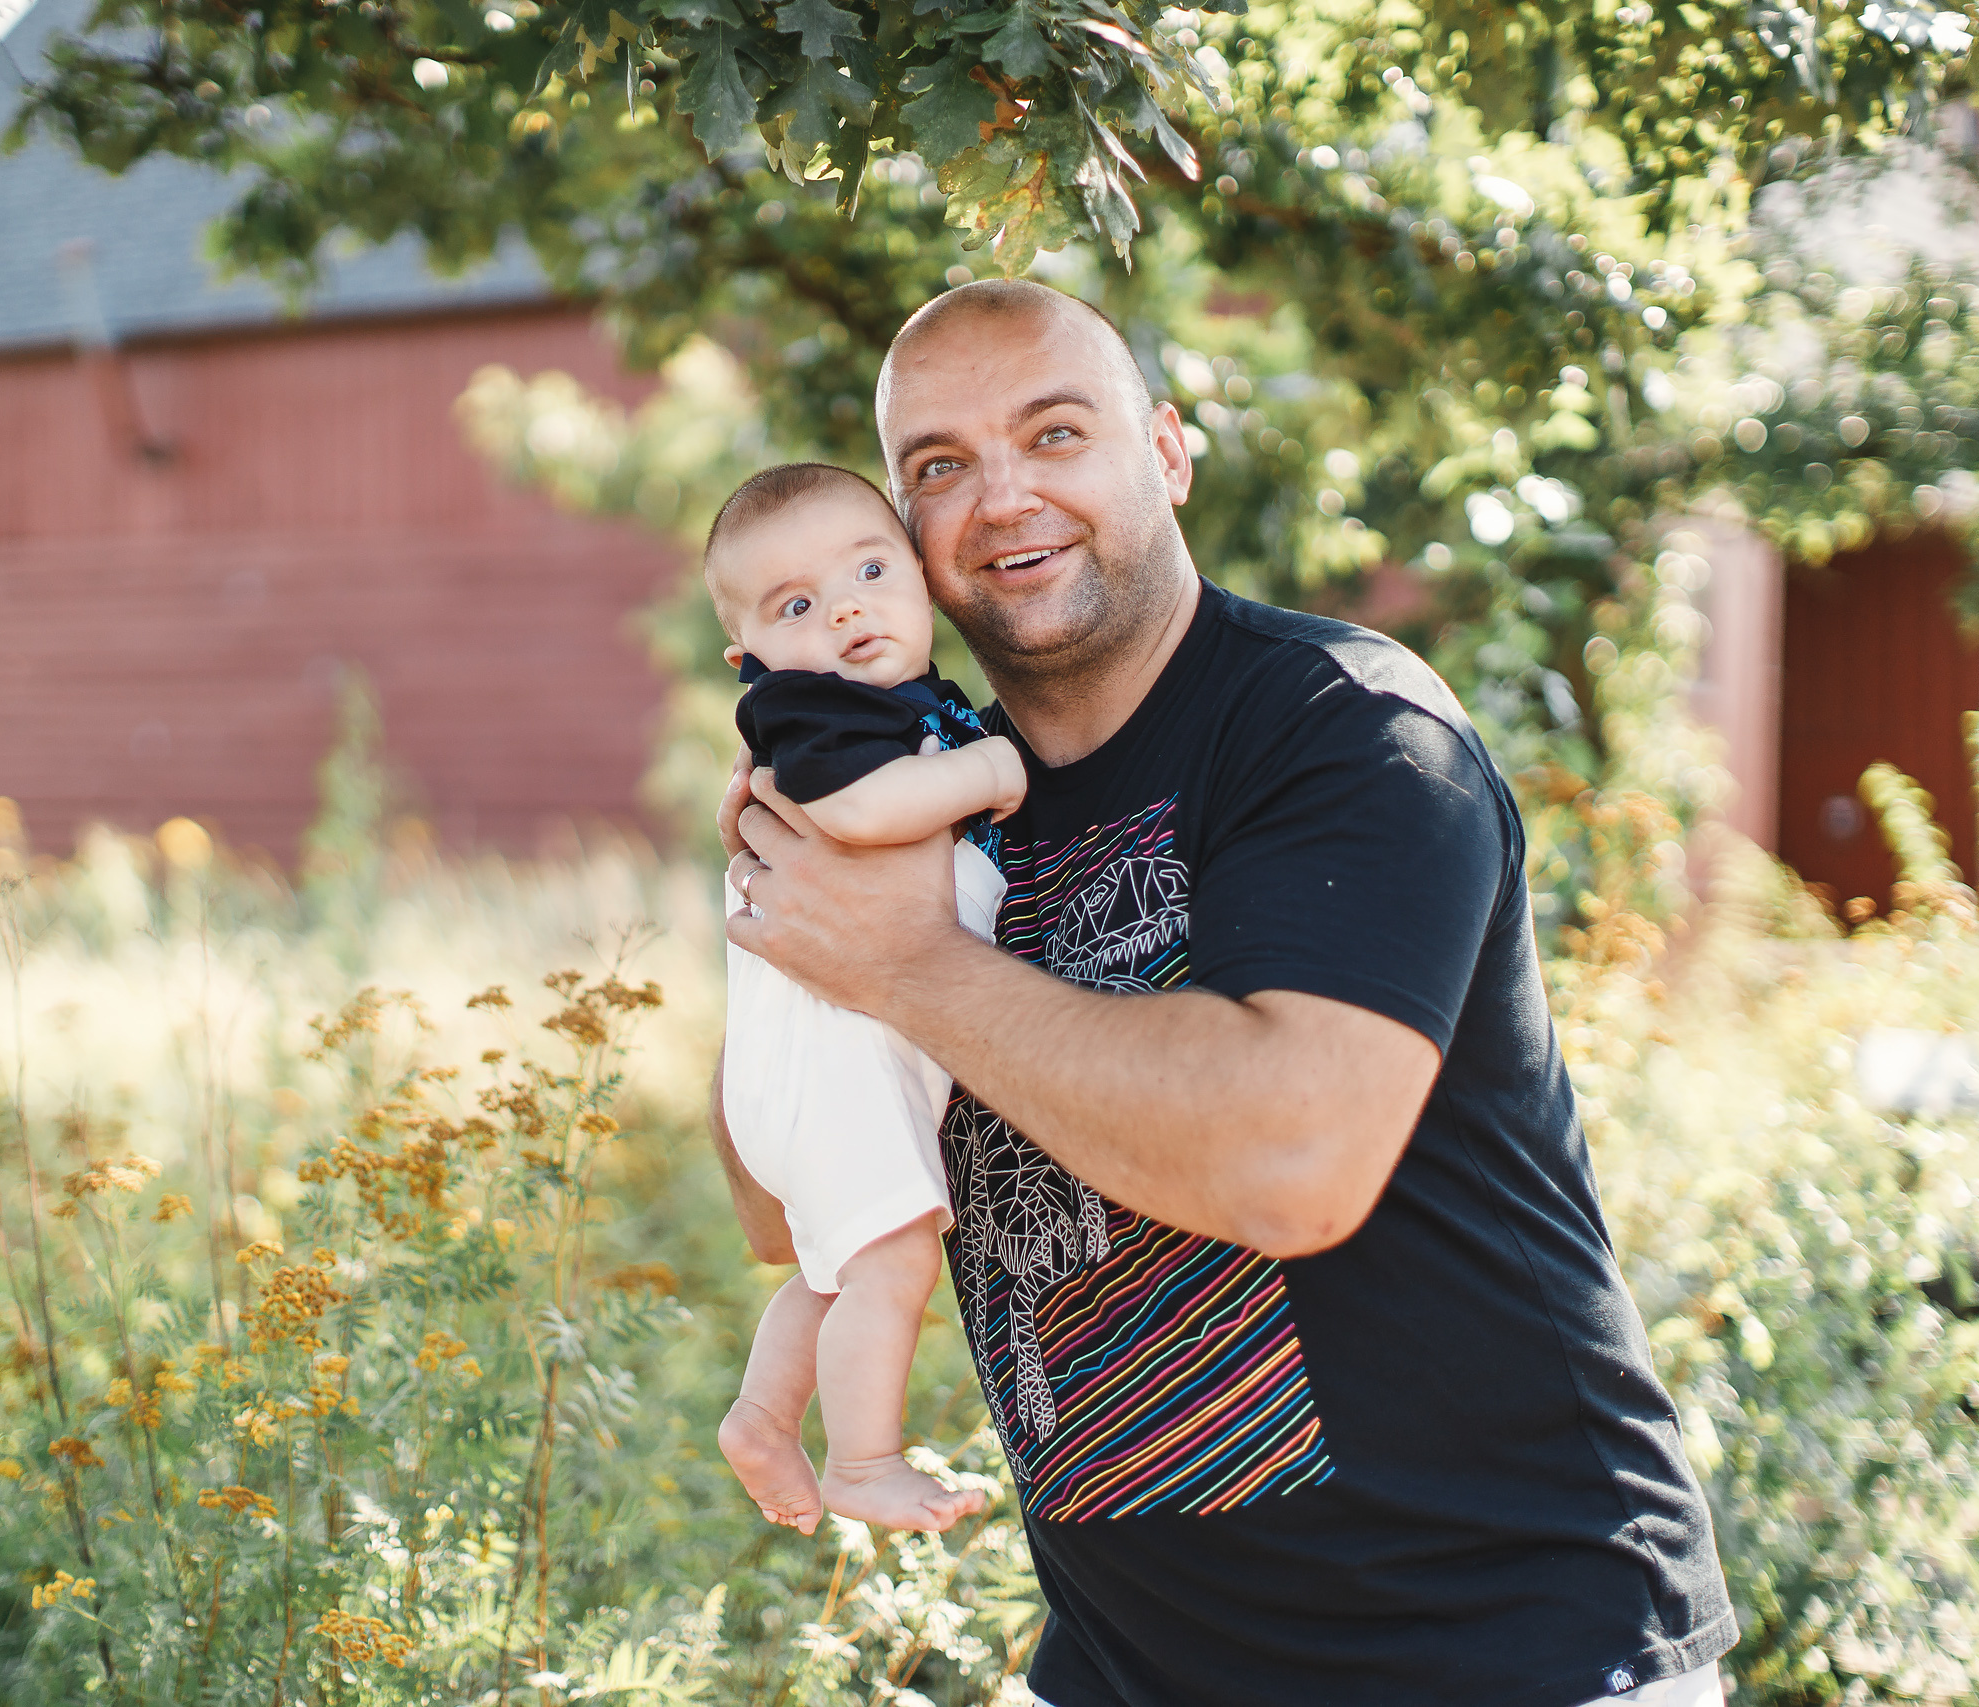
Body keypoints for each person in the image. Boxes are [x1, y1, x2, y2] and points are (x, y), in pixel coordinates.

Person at [712, 279, 1737, 1707]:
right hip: (1129, 1665)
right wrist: (789, 966)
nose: (1002, 498)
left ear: (1168, 452)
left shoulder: (1350, 734)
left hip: (1499, 1648)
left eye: (1055, 433)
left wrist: (898, 961)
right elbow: (787, 1212)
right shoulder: (919, 809)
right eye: (939, 466)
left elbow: (1292, 1161)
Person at [705, 461, 1028, 1535]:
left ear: (923, 585)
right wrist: (987, 775)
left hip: (814, 1059)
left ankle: (762, 1414)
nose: (845, 607)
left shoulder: (909, 703)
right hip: (829, 1051)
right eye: (797, 604)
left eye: (870, 569)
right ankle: (865, 1462)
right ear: (749, 661)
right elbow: (857, 812)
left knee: (838, 1266)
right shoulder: (810, 712)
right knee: (892, 1256)